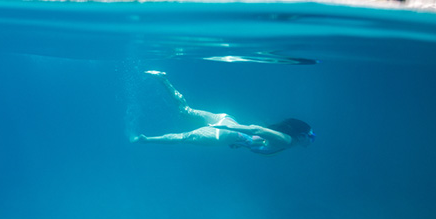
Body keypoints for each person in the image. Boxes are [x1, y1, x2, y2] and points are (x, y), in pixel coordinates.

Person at [132, 71, 315, 155]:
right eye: (310, 135)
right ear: (301, 135)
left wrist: (233, 134)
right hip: (226, 132)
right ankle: (145, 140)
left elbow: (255, 139)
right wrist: (226, 128)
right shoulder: (287, 141)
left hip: (228, 121)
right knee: (184, 137)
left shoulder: (288, 142)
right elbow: (256, 130)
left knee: (185, 111)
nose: (312, 139)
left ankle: (163, 79)